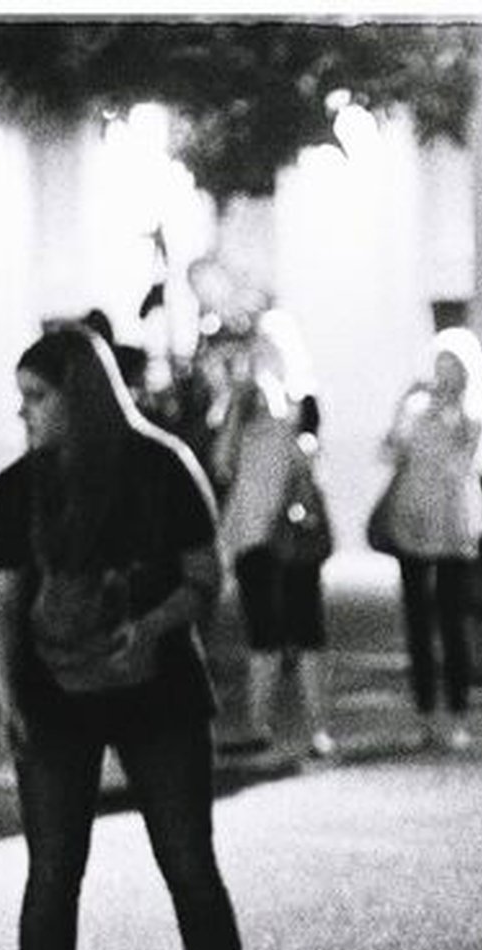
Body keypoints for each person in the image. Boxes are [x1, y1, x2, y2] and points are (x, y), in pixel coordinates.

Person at [0, 325, 284, 950]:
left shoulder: (161, 467)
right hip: (54, 696)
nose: (26, 415)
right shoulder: (20, 486)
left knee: (188, 863)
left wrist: (148, 628)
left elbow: (204, 576)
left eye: (37, 398)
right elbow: (1, 600)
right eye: (22, 399)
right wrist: (7, 700)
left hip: (158, 692)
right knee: (54, 872)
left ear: (80, 394)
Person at [211, 315, 335, 760]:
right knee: (261, 628)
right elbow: (222, 465)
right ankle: (255, 724)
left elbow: (310, 458)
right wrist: (239, 412)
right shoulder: (241, 404)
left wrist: (282, 422)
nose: (262, 356)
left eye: (269, 347)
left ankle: (317, 727)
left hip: (293, 525)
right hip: (250, 530)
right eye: (257, 348)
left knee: (307, 627)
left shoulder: (306, 403)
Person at [381, 325, 482, 750]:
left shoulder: (479, 415)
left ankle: (457, 714)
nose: (445, 375)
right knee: (417, 621)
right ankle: (424, 714)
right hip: (412, 520)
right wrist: (404, 414)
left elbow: (472, 464)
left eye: (453, 366)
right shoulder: (416, 408)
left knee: (452, 621)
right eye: (440, 365)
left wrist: (452, 423)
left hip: (455, 524)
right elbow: (390, 452)